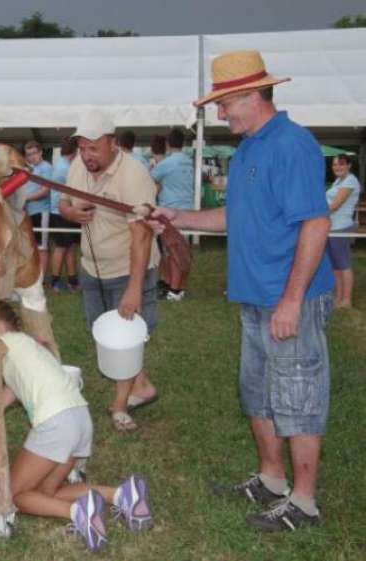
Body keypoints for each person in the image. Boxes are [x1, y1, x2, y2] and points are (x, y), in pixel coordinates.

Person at [152, 50, 334, 532]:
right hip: (253, 299)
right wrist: (180, 217)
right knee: (257, 394)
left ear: (253, 96)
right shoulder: (250, 146)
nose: (220, 112)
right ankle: (273, 479)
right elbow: (236, 217)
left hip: (287, 299)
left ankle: (304, 502)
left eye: (225, 102)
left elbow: (315, 223)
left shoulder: (292, 145)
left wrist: (293, 300)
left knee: (297, 397)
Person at [0, 301, 153, 552]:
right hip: (79, 419)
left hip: (55, 423)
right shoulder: (26, 349)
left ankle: (78, 512)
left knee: (12, 496)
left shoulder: (1, 341)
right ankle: (123, 495)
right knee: (48, 492)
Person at [59, 110, 160, 432]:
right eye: (82, 148)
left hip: (128, 269)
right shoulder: (77, 166)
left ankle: (120, 405)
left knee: (125, 339)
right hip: (91, 267)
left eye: (94, 148)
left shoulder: (134, 175)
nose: (87, 155)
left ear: (113, 144)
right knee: (102, 334)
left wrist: (134, 288)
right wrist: (71, 213)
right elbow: (62, 203)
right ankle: (141, 387)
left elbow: (142, 235)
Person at [150, 127, 195, 301]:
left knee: (173, 252)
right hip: (188, 211)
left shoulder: (167, 163)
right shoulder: (188, 160)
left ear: (168, 144)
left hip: (171, 212)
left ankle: (175, 290)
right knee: (181, 252)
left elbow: (149, 178)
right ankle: (177, 286)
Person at [325, 154, 360, 308]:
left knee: (343, 264)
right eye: (334, 165)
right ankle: (338, 297)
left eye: (341, 164)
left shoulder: (350, 181)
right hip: (332, 227)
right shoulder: (339, 181)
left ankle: (346, 300)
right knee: (335, 265)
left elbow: (335, 205)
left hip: (341, 228)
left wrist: (314, 214)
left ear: (349, 165)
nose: (337, 167)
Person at [48, 137, 81, 293]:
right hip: (59, 213)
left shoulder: (65, 164)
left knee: (70, 247)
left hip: (65, 211)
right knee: (61, 248)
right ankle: (55, 281)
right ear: (75, 151)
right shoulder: (65, 168)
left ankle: (72, 280)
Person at [23, 141, 54, 276]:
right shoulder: (31, 169)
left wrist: (26, 199)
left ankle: (41, 279)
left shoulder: (46, 167)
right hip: (30, 212)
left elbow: (45, 191)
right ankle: (35, 276)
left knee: (42, 247)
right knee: (34, 247)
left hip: (42, 212)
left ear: (41, 152)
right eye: (29, 155)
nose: (32, 157)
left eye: (34, 153)